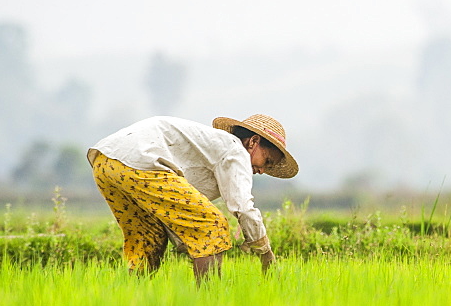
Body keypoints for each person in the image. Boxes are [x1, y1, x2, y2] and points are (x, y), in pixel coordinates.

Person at [86, 114, 298, 283]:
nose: (262, 170)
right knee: (211, 225)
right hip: (140, 159)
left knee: (148, 240)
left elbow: (176, 210)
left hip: (106, 162)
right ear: (253, 142)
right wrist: (265, 253)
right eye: (267, 161)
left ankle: (127, 302)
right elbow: (242, 206)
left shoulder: (212, 149)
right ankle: (210, 303)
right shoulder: (235, 149)